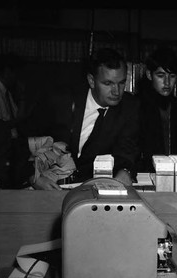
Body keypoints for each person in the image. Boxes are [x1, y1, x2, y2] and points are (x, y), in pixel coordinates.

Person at [27, 47, 141, 190]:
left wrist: (125, 171)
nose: (116, 91)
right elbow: (23, 141)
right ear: (91, 80)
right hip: (47, 187)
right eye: (108, 83)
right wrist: (34, 177)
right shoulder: (60, 101)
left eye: (121, 83)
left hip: (92, 189)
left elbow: (127, 150)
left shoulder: (129, 106)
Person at [138, 46, 177, 172]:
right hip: (143, 175)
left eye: (172, 76)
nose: (167, 82)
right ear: (149, 75)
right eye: (161, 75)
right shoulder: (136, 107)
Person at [0, 52, 26, 140]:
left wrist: (22, 97)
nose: (16, 78)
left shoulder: (7, 93)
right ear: (7, 71)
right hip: (2, 145)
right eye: (16, 73)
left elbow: (17, 117)